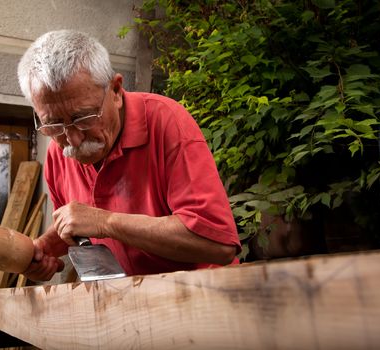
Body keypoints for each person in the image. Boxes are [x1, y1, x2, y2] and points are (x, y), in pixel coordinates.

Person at [17, 29, 240, 281]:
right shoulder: (59, 154)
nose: (73, 139)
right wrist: (48, 247)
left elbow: (218, 245)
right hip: (129, 301)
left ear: (116, 91)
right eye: (54, 125)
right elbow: (80, 226)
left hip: (200, 296)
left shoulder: (166, 122)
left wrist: (106, 222)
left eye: (84, 118)